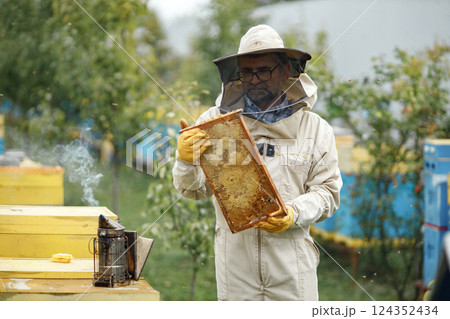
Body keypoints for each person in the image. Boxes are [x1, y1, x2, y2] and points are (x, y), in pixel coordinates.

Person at [173, 24, 342, 301]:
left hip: (292, 269)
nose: (254, 80)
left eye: (263, 70)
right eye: (247, 72)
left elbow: (328, 194)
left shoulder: (315, 129)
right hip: (236, 268)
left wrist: (293, 213)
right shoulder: (213, 124)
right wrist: (185, 160)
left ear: (286, 70)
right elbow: (194, 190)